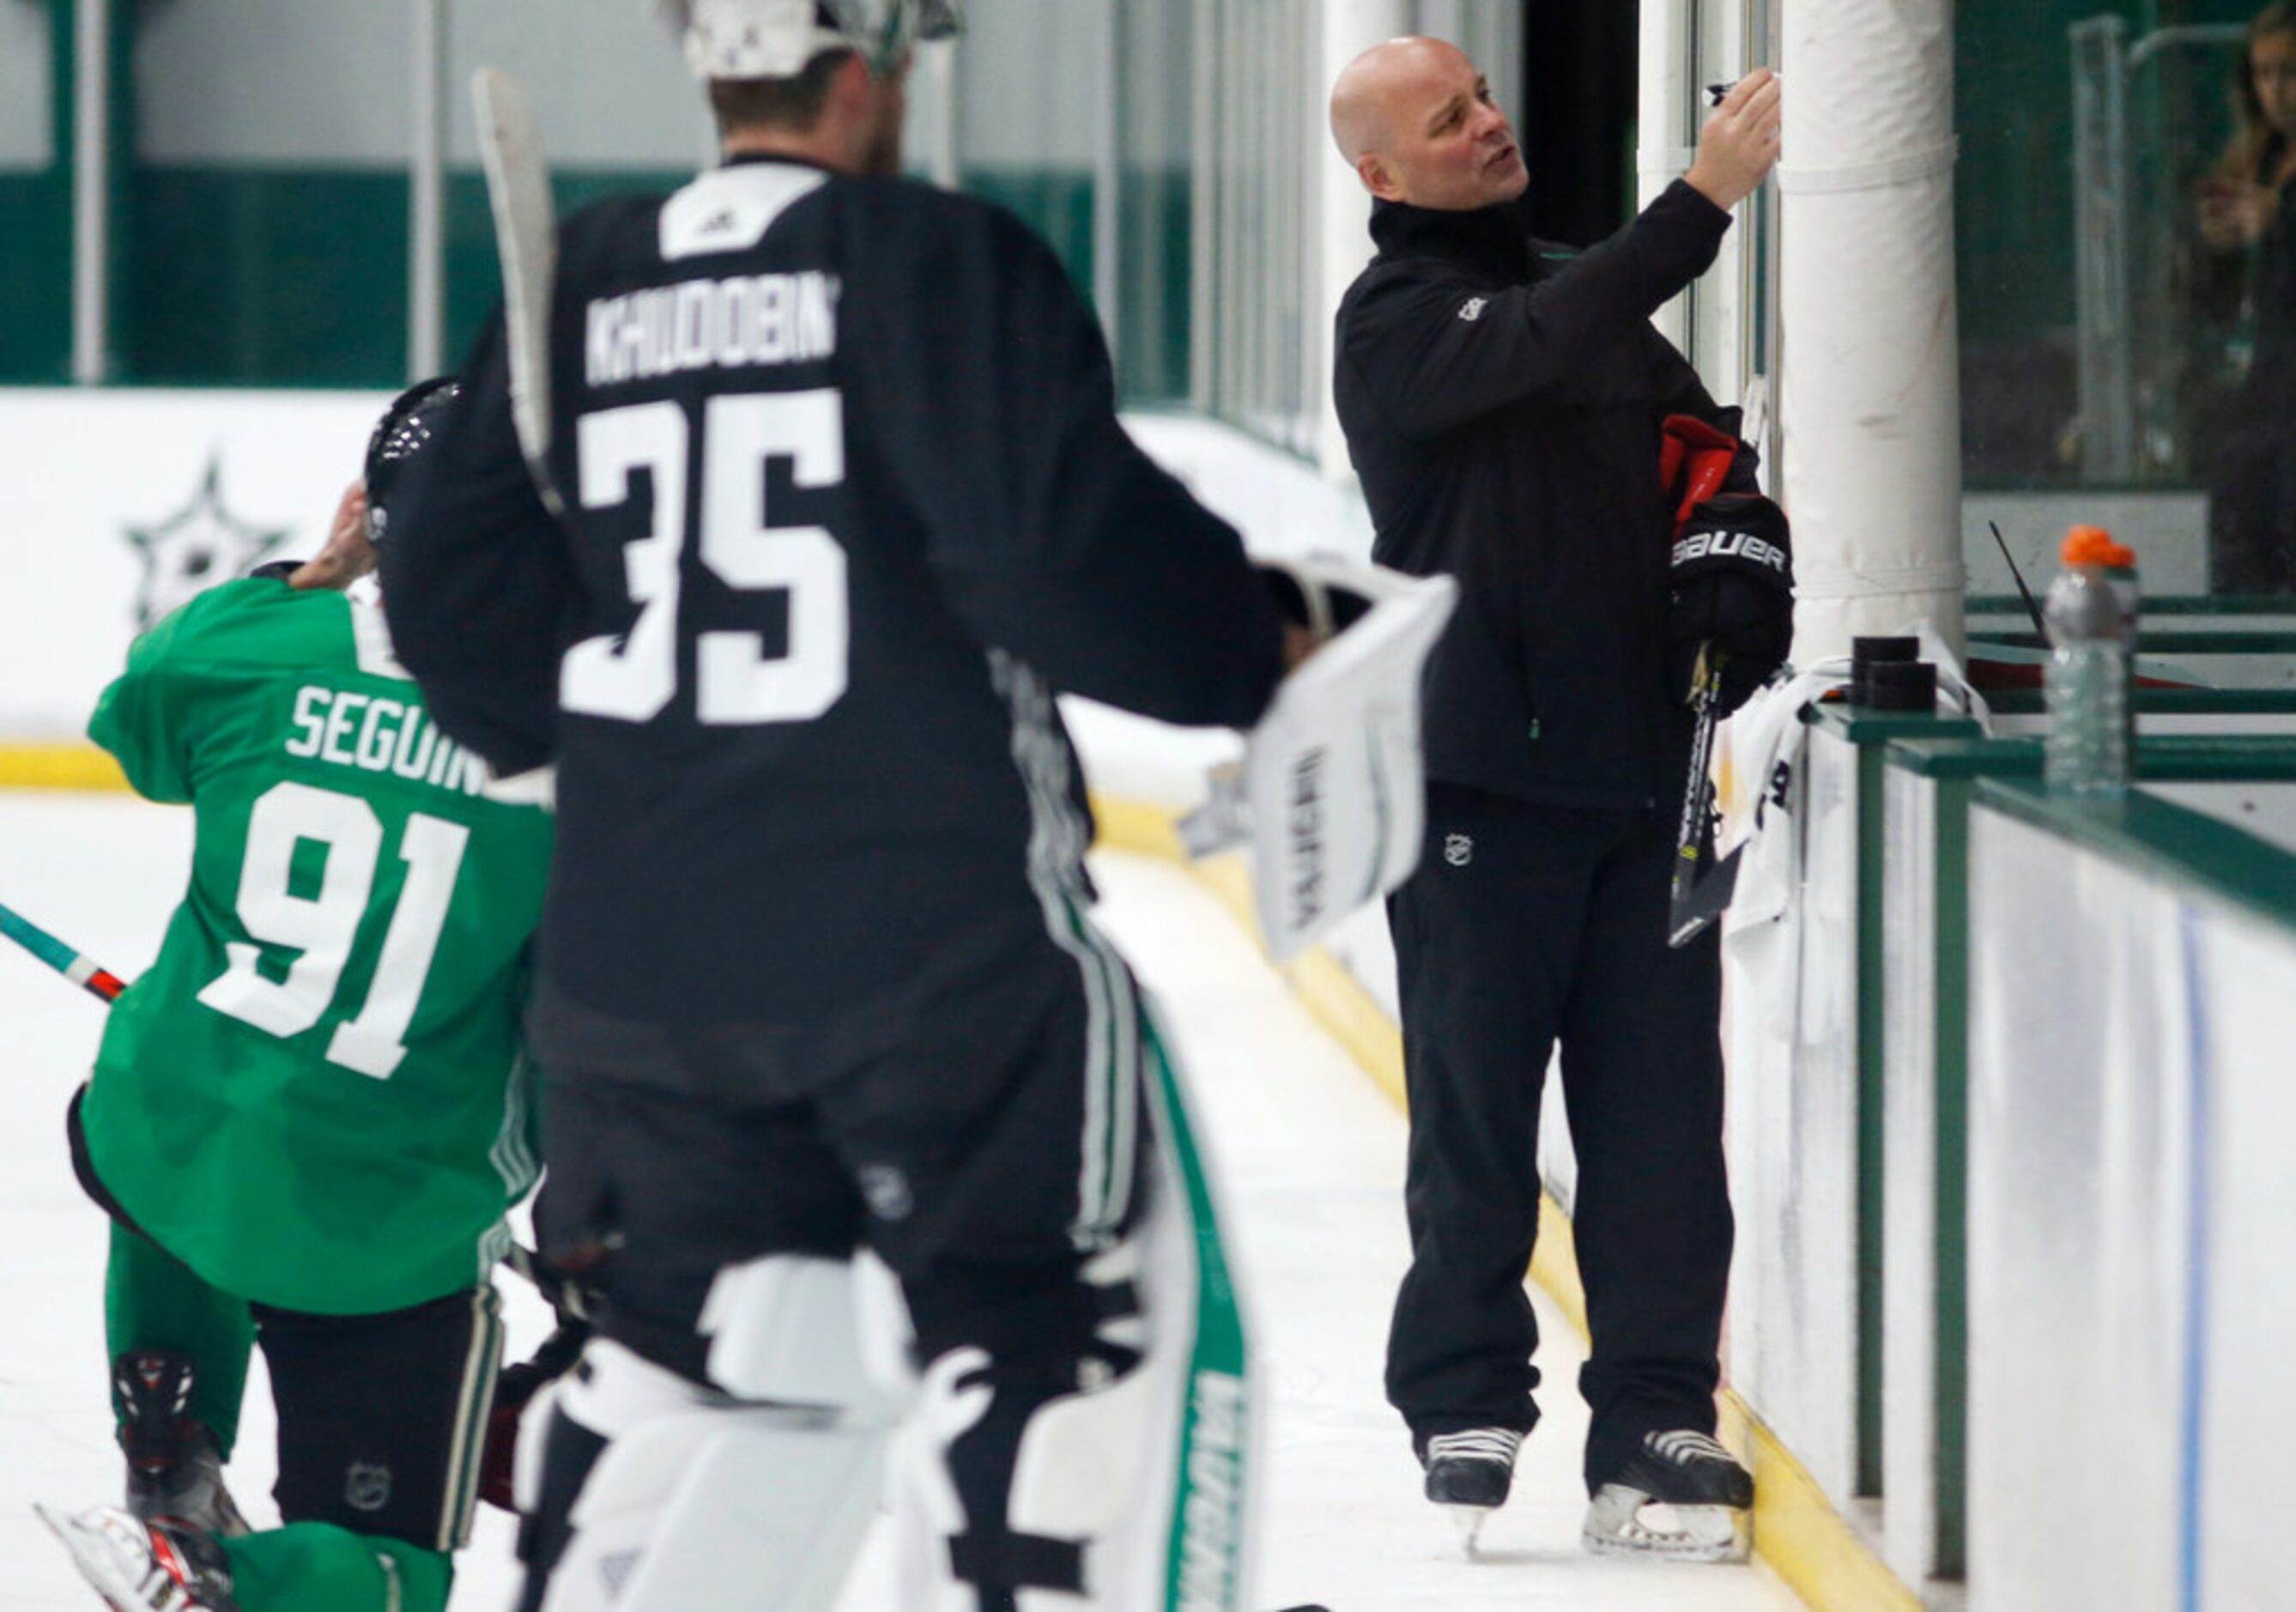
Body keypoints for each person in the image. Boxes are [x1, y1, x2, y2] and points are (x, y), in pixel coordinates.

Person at [377, 4, 1351, 1608]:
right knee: (1045, 1356)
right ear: (860, 74)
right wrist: (1268, 643)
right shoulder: (932, 257)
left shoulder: (584, 276)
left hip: (639, 978)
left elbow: (447, 580)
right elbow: (1055, 557)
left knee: (697, 1376)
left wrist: (610, 757)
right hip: (935, 960)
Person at [1327, 38, 1783, 1560]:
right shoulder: (1396, 322)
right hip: (1472, 789)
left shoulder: (1591, 309)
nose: (1486, 121)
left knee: (1662, 1127)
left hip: (1642, 783)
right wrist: (1700, 203)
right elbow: (1527, 339)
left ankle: (1655, 1414)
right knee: (1476, 1113)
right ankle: (1465, 1387)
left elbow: (1700, 449)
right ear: (1382, 172)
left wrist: (1735, 536)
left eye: (1482, 95)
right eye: (1445, 118)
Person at [37, 381, 557, 1612]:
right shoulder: (587, 739)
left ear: (367, 510)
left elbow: (144, 728)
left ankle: (165, 1409)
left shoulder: (241, 641)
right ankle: (220, 1575)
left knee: (180, 1122)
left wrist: (310, 578)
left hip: (177, 1135)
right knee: (390, 1575)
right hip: (388, 1218)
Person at [2196, 1, 2296, 593]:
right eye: (2263, 73)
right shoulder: (2254, 159)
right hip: (2260, 386)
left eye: (2289, 71)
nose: (2276, 90)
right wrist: (2219, 245)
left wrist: (2280, 222)